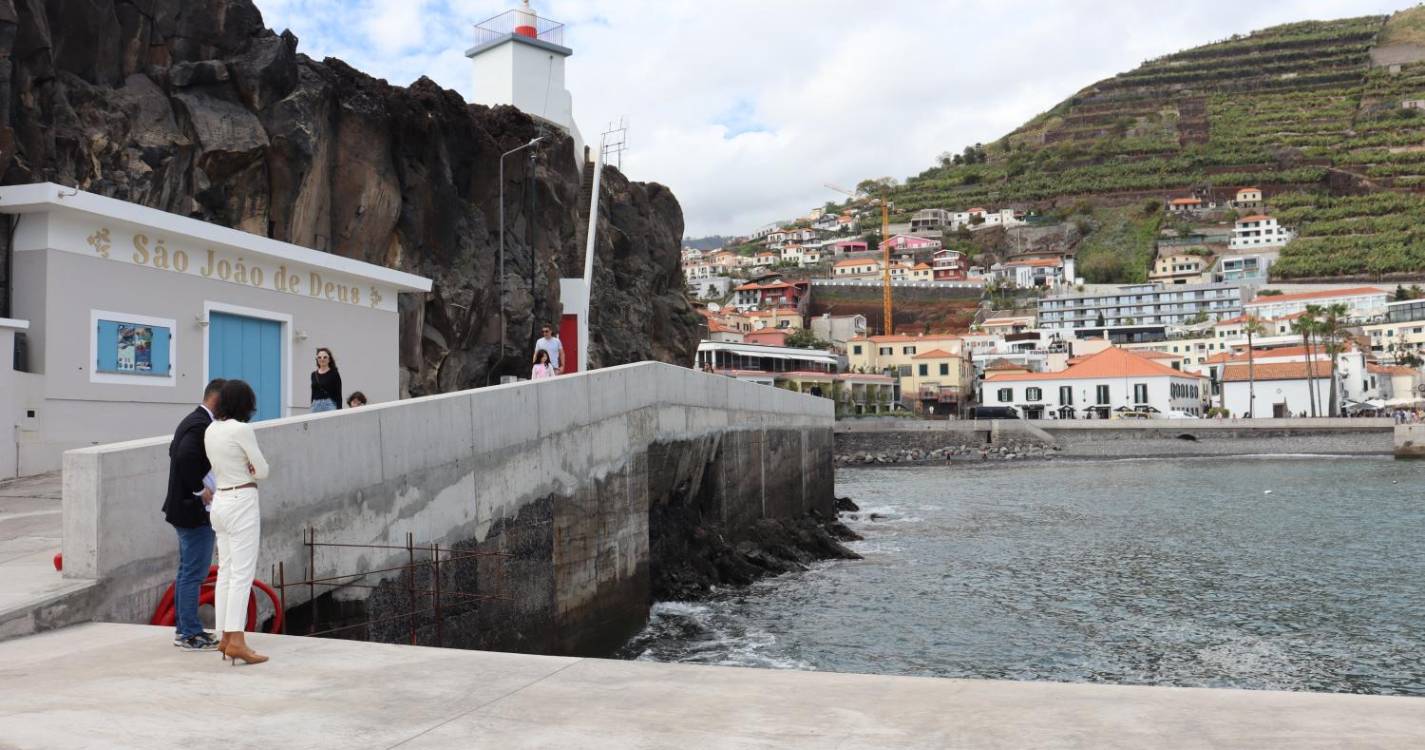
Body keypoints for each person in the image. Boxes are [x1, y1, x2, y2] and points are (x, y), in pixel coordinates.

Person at [205, 380, 271, 666]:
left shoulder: (211, 429)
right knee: (242, 574)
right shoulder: (242, 429)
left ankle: (224, 636)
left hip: (219, 500)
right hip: (242, 500)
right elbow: (263, 470)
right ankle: (238, 641)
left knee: (226, 572)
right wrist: (251, 467)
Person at [161, 378, 226, 651]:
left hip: (181, 510)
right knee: (193, 574)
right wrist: (201, 490)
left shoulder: (191, 420)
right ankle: (188, 633)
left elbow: (173, 451)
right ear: (218, 400)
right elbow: (185, 456)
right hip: (192, 512)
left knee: (187, 572)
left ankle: (185, 629)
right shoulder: (201, 425)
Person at [310, 347, 342, 412]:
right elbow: (313, 393)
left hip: (329, 404)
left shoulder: (334, 373)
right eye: (319, 357)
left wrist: (339, 410)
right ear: (317, 359)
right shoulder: (313, 374)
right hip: (315, 405)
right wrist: (312, 404)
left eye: (325, 357)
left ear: (329, 359)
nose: (322, 359)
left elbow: (338, 393)